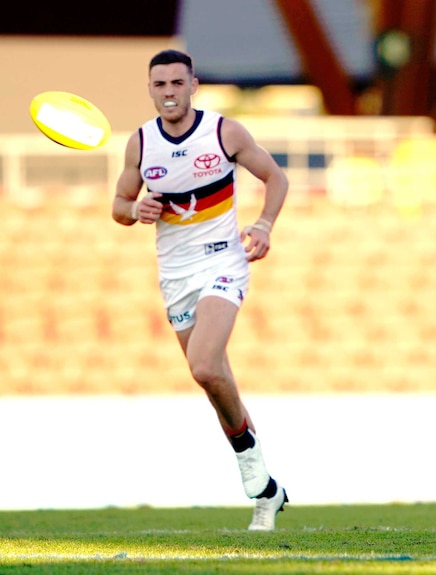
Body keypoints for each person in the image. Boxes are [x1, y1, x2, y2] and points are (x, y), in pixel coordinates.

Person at [112, 49, 289, 531]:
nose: (168, 92)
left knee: (206, 364)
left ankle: (252, 474)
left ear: (193, 85)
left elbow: (275, 176)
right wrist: (135, 211)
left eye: (176, 83)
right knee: (213, 383)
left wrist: (266, 224)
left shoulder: (223, 132)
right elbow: (120, 203)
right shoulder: (140, 145)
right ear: (150, 90)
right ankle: (268, 490)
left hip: (223, 261)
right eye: (159, 85)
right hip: (174, 274)